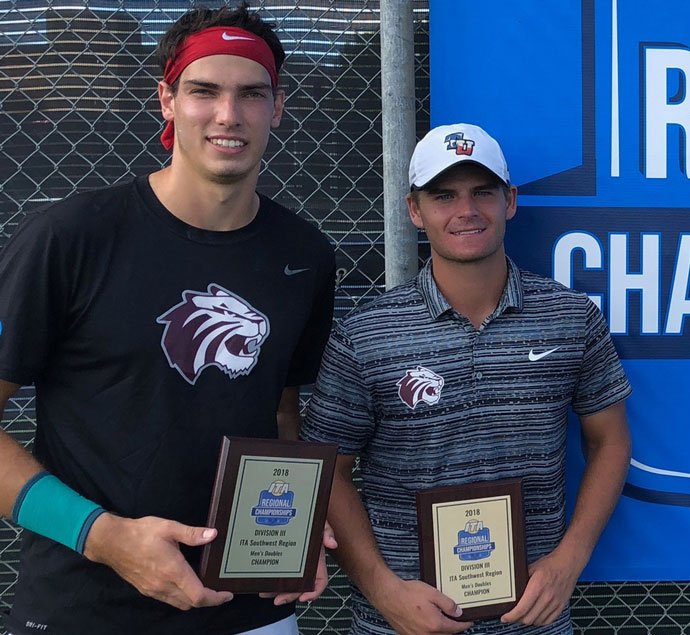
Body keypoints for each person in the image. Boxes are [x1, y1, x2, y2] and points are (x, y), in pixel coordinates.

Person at [0, 4, 336, 634]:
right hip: (84, 609)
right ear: (166, 99)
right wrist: (101, 536)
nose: (228, 115)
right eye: (204, 91)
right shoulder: (70, 237)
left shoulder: (305, 255)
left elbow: (280, 411)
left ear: (278, 108)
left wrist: (297, 530)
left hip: (252, 614)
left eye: (251, 94)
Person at [302, 123, 632, 635]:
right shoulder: (366, 333)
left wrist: (569, 562)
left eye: (483, 192)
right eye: (444, 196)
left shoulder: (571, 317)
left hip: (532, 618)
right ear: (415, 210)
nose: (467, 211)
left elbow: (609, 441)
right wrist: (384, 590)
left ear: (511, 200)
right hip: (403, 621)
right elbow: (328, 471)